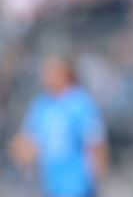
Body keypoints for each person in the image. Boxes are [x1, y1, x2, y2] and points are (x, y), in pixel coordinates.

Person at [9, 54, 110, 197]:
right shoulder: (42, 105)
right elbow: (29, 139)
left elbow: (96, 142)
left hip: (78, 184)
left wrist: (98, 175)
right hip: (51, 183)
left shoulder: (81, 103)